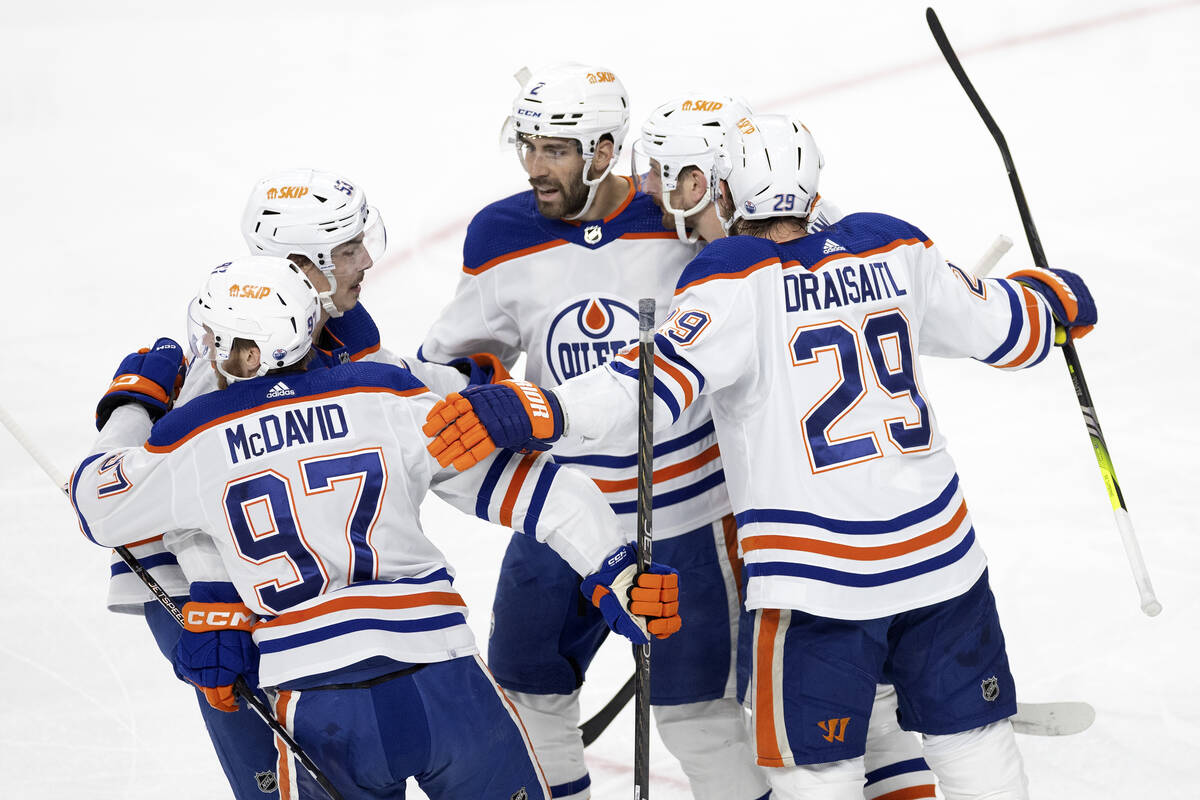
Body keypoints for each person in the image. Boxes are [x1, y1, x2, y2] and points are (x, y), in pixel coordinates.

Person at [423, 112, 1099, 799]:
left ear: (723, 189)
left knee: (813, 771)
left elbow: (644, 388)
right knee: (976, 751)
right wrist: (1055, 298)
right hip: (943, 563)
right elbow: (1010, 328)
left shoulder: (733, 281)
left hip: (816, 584)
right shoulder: (895, 245)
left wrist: (541, 407)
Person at [69, 255, 682, 800]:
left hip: (317, 704)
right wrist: (618, 570)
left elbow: (95, 502)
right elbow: (544, 490)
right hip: (448, 683)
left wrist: (134, 404)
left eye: (215, 339)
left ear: (250, 352)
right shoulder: (386, 394)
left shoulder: (193, 438)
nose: (206, 351)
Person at [419, 65, 767, 800]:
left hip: (684, 518)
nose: (535, 167)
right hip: (558, 512)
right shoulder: (500, 233)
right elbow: (449, 362)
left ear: (606, 149)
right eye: (529, 146)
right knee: (526, 697)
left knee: (698, 719)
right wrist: (479, 386)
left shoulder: (677, 211)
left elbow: (786, 243)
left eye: (557, 150)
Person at [103, 169, 489, 799]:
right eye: (345, 250)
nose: (365, 259)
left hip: (294, 599)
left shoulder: (325, 331)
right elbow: (195, 496)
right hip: (219, 609)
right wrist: (211, 601)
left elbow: (391, 399)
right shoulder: (227, 365)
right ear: (298, 267)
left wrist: (467, 391)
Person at [635, 96, 937, 800]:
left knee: (832, 710)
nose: (649, 189)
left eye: (663, 173)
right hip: (809, 509)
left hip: (793, 521)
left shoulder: (744, 265)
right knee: (838, 705)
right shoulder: (819, 234)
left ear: (709, 180)